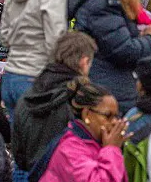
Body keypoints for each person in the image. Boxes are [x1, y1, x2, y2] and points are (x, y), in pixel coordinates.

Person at [0, 0, 86, 117]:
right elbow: (57, 43)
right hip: (37, 80)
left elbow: (5, 37)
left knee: (19, 143)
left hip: (10, 76)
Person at [12, 31, 97, 173]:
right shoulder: (83, 101)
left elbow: (19, 155)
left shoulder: (28, 96)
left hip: (35, 181)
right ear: (84, 61)